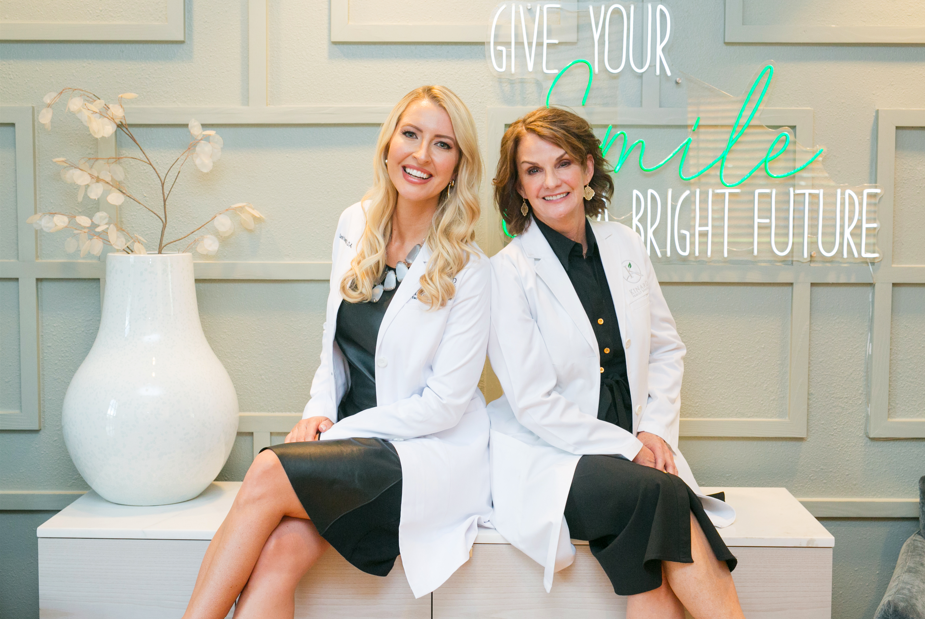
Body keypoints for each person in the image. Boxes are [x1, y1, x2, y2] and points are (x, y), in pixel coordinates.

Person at [182, 85, 492, 619]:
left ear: (457, 166)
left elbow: (444, 406)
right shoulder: (356, 222)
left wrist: (338, 433)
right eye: (411, 134)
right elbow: (334, 341)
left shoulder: (470, 268)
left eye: (442, 144)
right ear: (389, 143)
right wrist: (318, 412)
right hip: (351, 446)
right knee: (278, 555)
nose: (421, 155)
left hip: (419, 459)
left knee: (267, 470)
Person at [486, 106, 744, 619]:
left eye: (563, 163)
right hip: (555, 456)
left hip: (635, 453)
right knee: (661, 495)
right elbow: (534, 404)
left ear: (587, 168)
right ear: (518, 187)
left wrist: (654, 432)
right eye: (533, 170)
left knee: (651, 560)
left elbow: (666, 349)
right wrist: (630, 448)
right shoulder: (506, 274)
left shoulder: (624, 243)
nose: (551, 181)